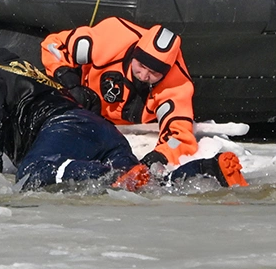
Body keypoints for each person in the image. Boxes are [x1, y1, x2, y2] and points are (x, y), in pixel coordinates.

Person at [0, 46, 246, 191]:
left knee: (34, 171)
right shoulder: (26, 71)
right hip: (100, 131)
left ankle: (113, 176)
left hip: (61, 127)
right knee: (148, 186)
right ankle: (209, 169)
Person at [40, 16, 200, 171]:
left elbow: (179, 139)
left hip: (125, 132)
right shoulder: (111, 37)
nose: (144, 76)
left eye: (153, 73)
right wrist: (72, 84)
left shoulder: (177, 86)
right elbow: (53, 45)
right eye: (141, 66)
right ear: (134, 55)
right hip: (85, 107)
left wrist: (160, 156)